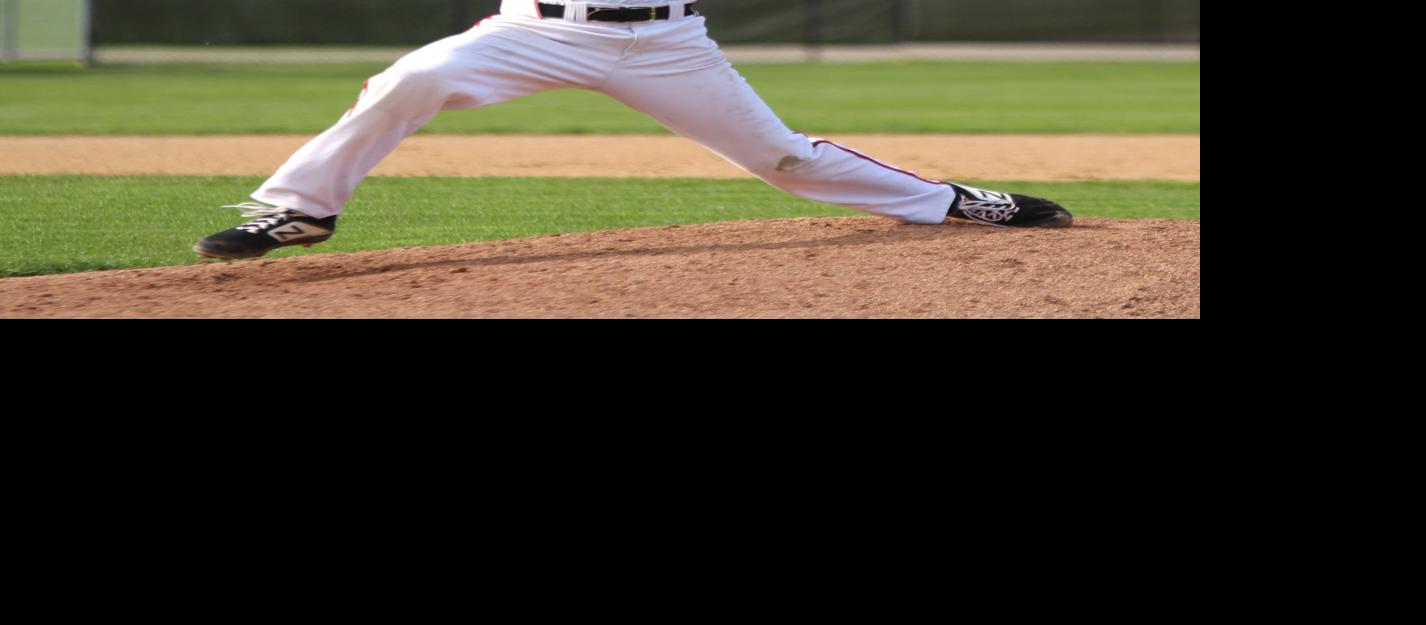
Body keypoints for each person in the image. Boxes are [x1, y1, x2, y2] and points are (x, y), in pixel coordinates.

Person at [193, 0, 1072, 260]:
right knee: (411, 76)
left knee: (782, 158)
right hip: (537, 26)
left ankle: (954, 202)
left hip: (666, 40)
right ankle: (301, 209)